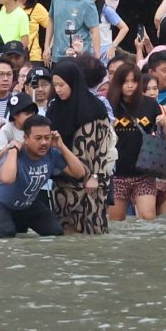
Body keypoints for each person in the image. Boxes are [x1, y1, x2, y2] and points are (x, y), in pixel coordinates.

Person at [0, 112, 85, 238]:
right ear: (26, 138)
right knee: (5, 233)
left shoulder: (52, 153)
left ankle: (11, 221)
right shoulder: (14, 153)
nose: (44, 143)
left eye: (47, 138)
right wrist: (13, 150)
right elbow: (7, 179)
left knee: (55, 231)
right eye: (38, 138)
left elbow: (79, 173)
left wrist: (61, 146)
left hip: (25, 204)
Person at [47, 58, 115, 235]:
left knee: (92, 233)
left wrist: (96, 177)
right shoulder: (54, 108)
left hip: (89, 184)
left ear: (72, 82)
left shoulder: (95, 108)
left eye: (62, 85)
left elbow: (103, 147)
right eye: (55, 85)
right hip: (62, 184)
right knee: (65, 236)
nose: (58, 89)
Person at [106, 62, 166, 221]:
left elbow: (164, 138)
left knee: (148, 219)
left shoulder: (150, 104)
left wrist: (163, 125)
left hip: (144, 172)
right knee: (116, 222)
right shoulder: (109, 105)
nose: (129, 86)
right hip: (117, 173)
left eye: (133, 81)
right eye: (125, 81)